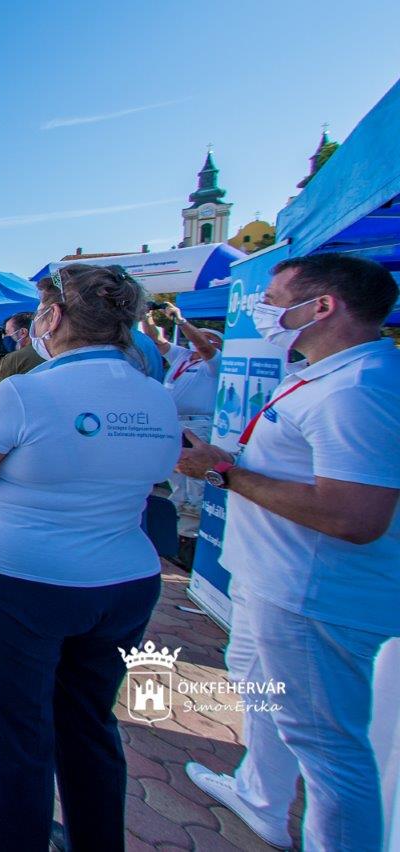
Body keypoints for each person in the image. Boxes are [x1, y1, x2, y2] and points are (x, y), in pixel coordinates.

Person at [0, 264, 178, 849]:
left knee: (16, 737)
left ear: (52, 318)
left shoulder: (24, 392)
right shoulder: (155, 395)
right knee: (91, 725)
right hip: (123, 582)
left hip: (19, 582)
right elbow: (153, 478)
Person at [175, 253, 400, 851]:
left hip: (312, 590)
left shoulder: (359, 388)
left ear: (322, 306)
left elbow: (355, 516)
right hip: (271, 577)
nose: (267, 315)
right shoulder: (324, 373)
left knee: (327, 748)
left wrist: (226, 474)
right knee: (258, 687)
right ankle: (261, 797)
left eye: (275, 303)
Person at [140, 303, 223, 538]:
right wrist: (148, 316)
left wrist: (181, 321)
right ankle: (177, 527)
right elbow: (157, 340)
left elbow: (204, 348)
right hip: (173, 420)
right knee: (175, 472)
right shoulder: (183, 356)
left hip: (197, 424)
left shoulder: (215, 362)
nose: (195, 341)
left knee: (195, 478)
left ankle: (193, 532)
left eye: (206, 337)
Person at [0, 312, 42, 395]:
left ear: (23, 332)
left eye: (7, 332)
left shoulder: (15, 358)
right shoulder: (48, 352)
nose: (5, 337)